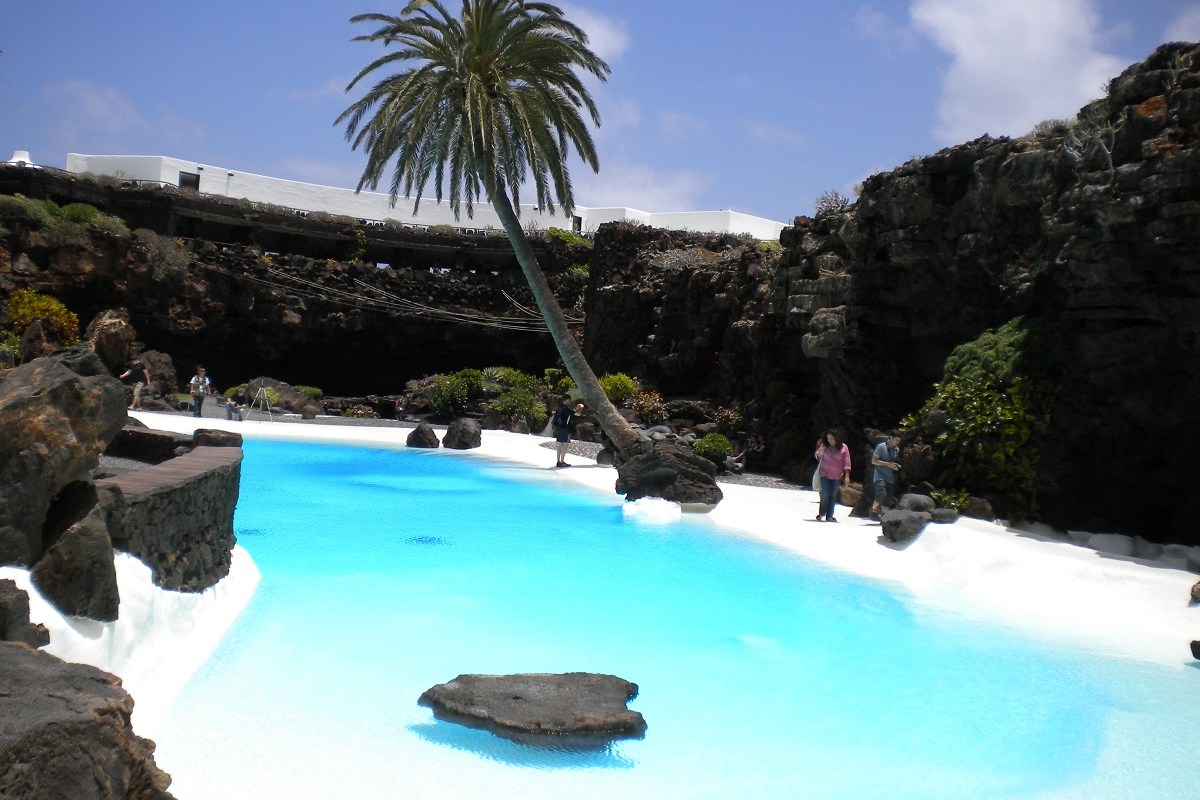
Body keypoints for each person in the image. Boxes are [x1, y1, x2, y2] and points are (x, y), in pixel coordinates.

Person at [813, 430, 852, 522]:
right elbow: (817, 456)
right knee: (825, 493)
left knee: (833, 495)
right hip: (824, 473)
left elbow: (847, 462)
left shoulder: (844, 447)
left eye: (831, 438)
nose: (830, 440)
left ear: (837, 438)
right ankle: (821, 513)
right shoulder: (825, 445)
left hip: (837, 475)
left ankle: (830, 516)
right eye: (828, 439)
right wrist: (819, 453)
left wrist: (847, 476)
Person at [870, 433, 902, 520]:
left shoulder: (897, 450)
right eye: (896, 440)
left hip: (890, 477)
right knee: (881, 494)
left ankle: (883, 516)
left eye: (899, 441)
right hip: (879, 476)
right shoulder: (881, 447)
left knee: (889, 500)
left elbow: (893, 462)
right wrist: (888, 464)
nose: (898, 442)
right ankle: (873, 510)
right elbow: (873, 461)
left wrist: (896, 466)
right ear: (891, 438)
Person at [551, 395, 585, 468]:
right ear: (567, 400)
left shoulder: (560, 407)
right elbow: (575, 414)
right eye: (570, 400)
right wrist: (580, 407)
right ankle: (562, 461)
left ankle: (558, 461)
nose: (570, 401)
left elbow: (572, 413)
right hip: (566, 429)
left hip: (560, 428)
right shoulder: (566, 409)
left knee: (561, 444)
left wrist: (577, 408)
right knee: (565, 445)